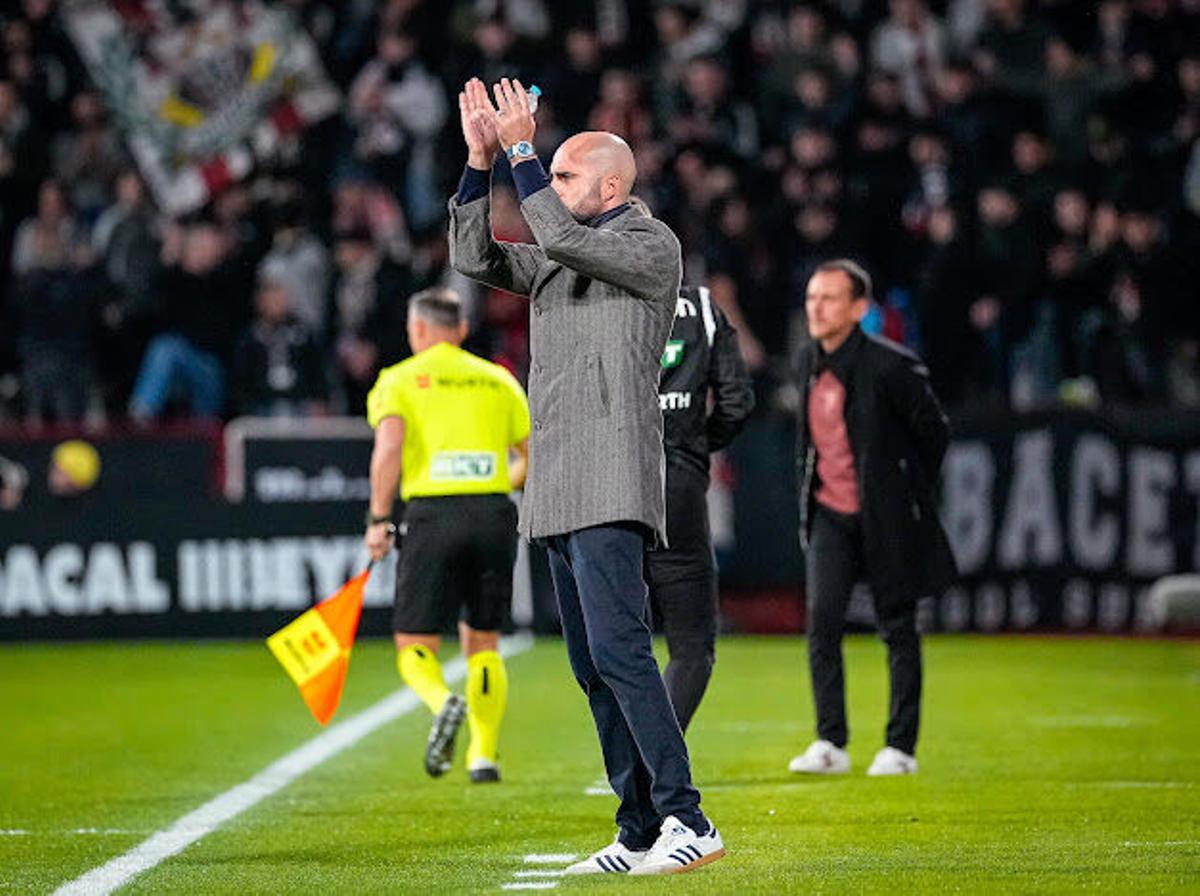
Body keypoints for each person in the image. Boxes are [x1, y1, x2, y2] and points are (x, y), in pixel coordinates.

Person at [448, 77, 724, 876]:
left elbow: (562, 239)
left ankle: (689, 819)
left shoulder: (648, 244)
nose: (550, 185)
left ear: (610, 185)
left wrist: (524, 149)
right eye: (550, 173)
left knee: (623, 650)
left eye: (566, 175)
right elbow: (473, 254)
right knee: (590, 666)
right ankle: (637, 828)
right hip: (559, 479)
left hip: (611, 471)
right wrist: (479, 163)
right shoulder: (556, 259)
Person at [789, 259, 956, 778]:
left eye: (830, 298)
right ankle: (830, 742)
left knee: (898, 628)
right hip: (831, 513)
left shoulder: (891, 366)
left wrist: (904, 491)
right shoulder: (806, 361)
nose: (816, 307)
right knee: (822, 626)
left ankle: (900, 747)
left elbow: (935, 432)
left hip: (885, 517)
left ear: (859, 309)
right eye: (813, 297)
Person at [363, 287, 529, 784]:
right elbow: (531, 452)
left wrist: (377, 518)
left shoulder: (398, 381)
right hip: (493, 511)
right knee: (483, 640)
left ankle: (442, 702)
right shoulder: (497, 379)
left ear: (416, 330)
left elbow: (389, 447)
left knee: (414, 639)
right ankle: (484, 756)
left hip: (431, 514)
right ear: (460, 330)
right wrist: (496, 481)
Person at [649, 283, 754, 733]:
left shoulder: (591, 289)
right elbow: (737, 402)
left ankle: (632, 759)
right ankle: (658, 763)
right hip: (676, 483)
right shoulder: (702, 305)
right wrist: (692, 446)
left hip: (602, 487)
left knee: (612, 645)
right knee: (691, 646)